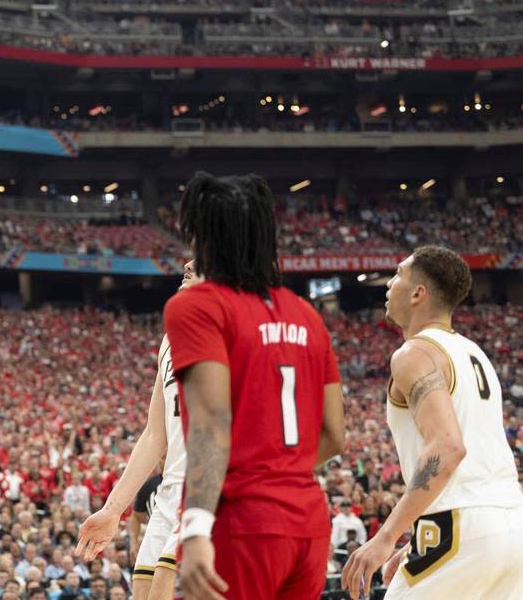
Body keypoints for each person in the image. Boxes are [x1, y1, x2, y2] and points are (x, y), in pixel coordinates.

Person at [162, 172, 344, 600]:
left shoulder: (197, 305)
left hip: (243, 524)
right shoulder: (307, 315)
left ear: (204, 237)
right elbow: (335, 436)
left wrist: (195, 529)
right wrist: (278, 473)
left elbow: (210, 421)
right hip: (309, 525)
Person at [342, 246, 523, 599]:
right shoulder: (476, 353)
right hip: (511, 527)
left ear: (417, 293)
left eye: (397, 275)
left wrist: (386, 535)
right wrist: (416, 537)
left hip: (458, 531)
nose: (389, 284)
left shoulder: (414, 353)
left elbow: (448, 447)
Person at [75, 261, 203, 600]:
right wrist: (114, 509)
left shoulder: (240, 330)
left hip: (211, 494)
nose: (187, 265)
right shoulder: (170, 339)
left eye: (202, 258)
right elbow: (154, 435)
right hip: (168, 497)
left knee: (164, 585)